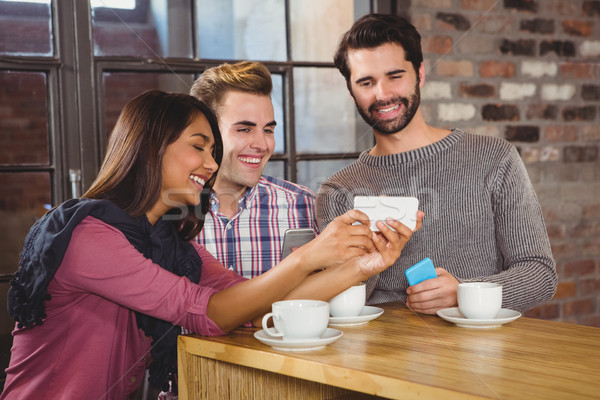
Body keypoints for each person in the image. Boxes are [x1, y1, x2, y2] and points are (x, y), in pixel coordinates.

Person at [1, 90, 420, 400]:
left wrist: (363, 267)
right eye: (199, 147)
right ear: (151, 145)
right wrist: (308, 257)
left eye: (213, 151)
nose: (212, 164)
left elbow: (256, 309)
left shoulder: (173, 247)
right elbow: (208, 314)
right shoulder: (90, 235)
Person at [316, 14, 557, 315]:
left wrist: (464, 293)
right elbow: (335, 302)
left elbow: (540, 274)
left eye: (395, 76)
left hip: (480, 355)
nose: (383, 94)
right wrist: (371, 253)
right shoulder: (338, 190)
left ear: (419, 74)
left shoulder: (493, 158)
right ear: (351, 91)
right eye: (366, 82)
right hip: (379, 357)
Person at [190, 61, 318, 278]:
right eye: (244, 129)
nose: (262, 144)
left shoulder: (303, 205)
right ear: (205, 132)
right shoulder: (169, 209)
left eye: (268, 130)